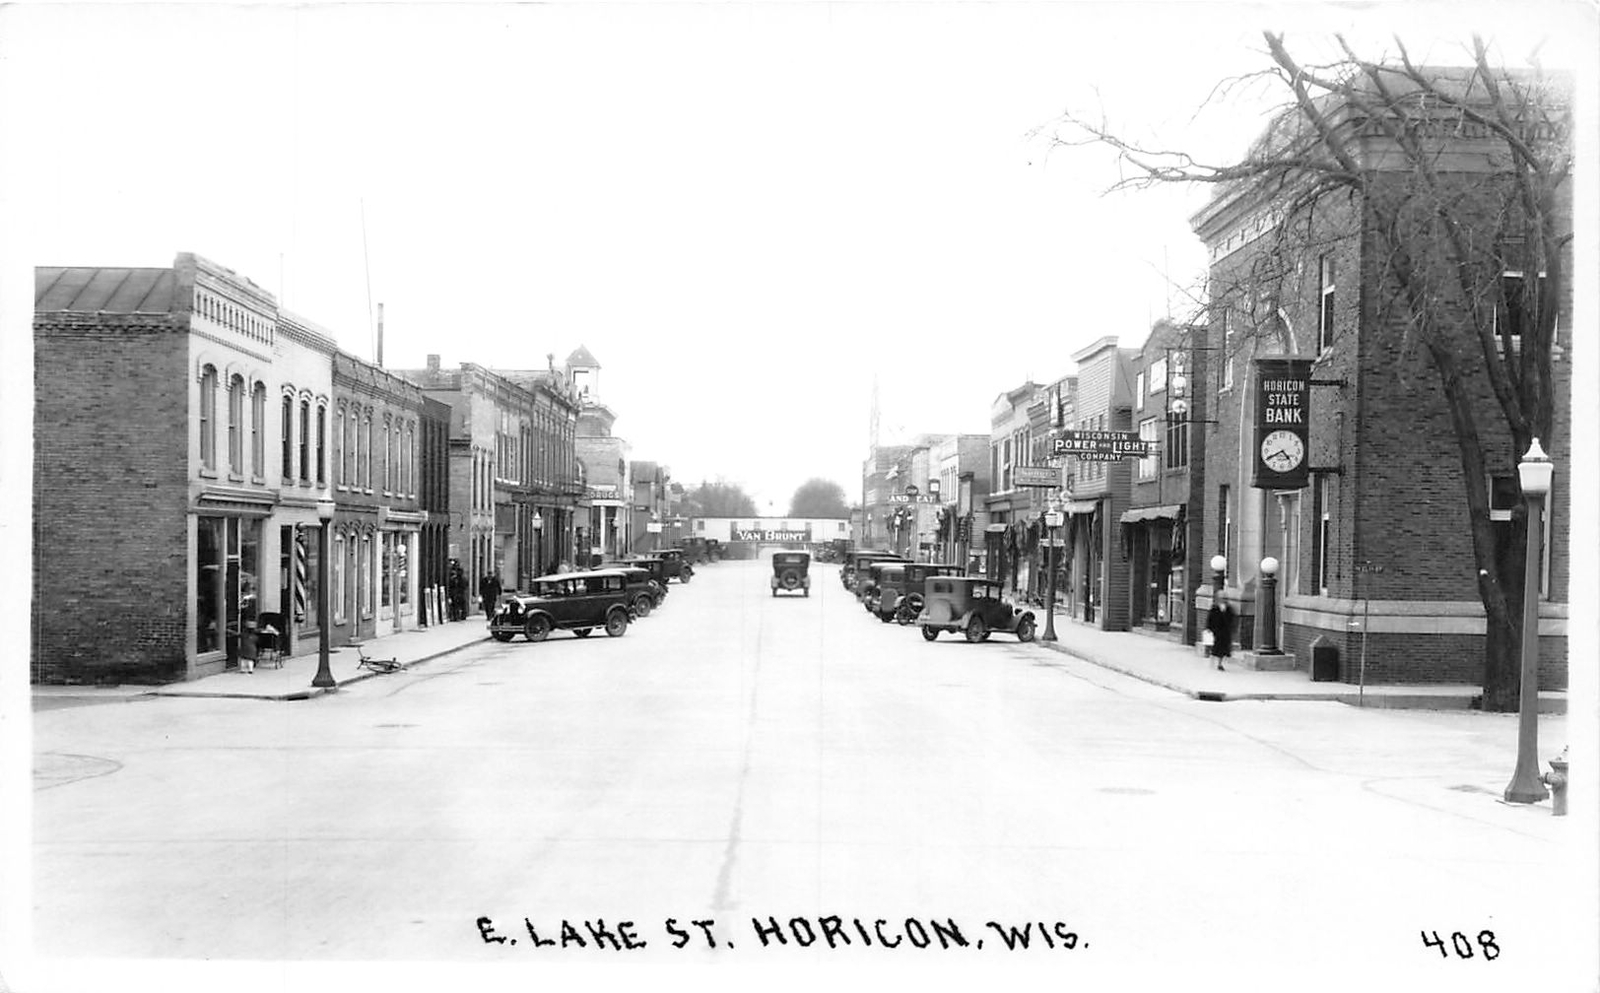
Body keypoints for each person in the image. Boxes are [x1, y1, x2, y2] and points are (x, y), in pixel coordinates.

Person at [1205, 597, 1237, 671]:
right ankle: (1212, 659)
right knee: (1216, 647)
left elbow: (1232, 619)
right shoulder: (1215, 608)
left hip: (1225, 631)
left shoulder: (1229, 608)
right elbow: (1210, 618)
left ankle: (1219, 664)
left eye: (1225, 599)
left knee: (1223, 648)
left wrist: (1232, 628)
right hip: (1216, 631)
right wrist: (1209, 628)